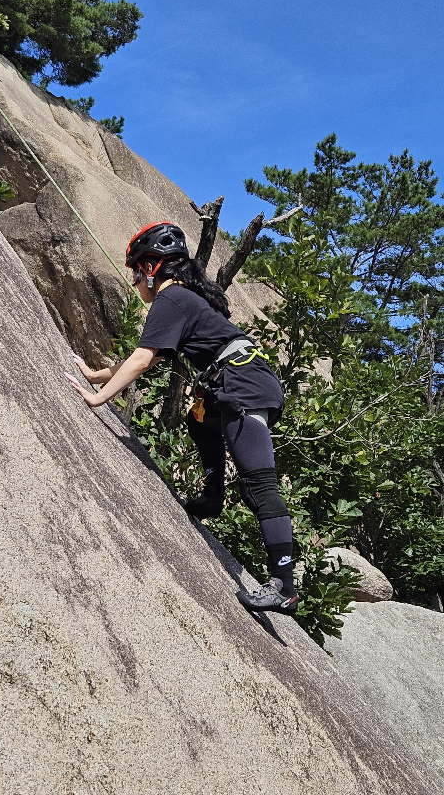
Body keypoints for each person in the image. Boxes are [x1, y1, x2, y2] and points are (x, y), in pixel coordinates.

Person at [65, 222, 299, 615]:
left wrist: (97, 398)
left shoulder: (170, 299)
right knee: (199, 418)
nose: (135, 282)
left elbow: (141, 359)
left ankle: (284, 586)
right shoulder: (182, 299)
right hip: (242, 377)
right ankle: (212, 496)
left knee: (260, 485)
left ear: (152, 268)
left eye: (136, 272)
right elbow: (146, 356)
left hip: (244, 383)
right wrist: (97, 374)